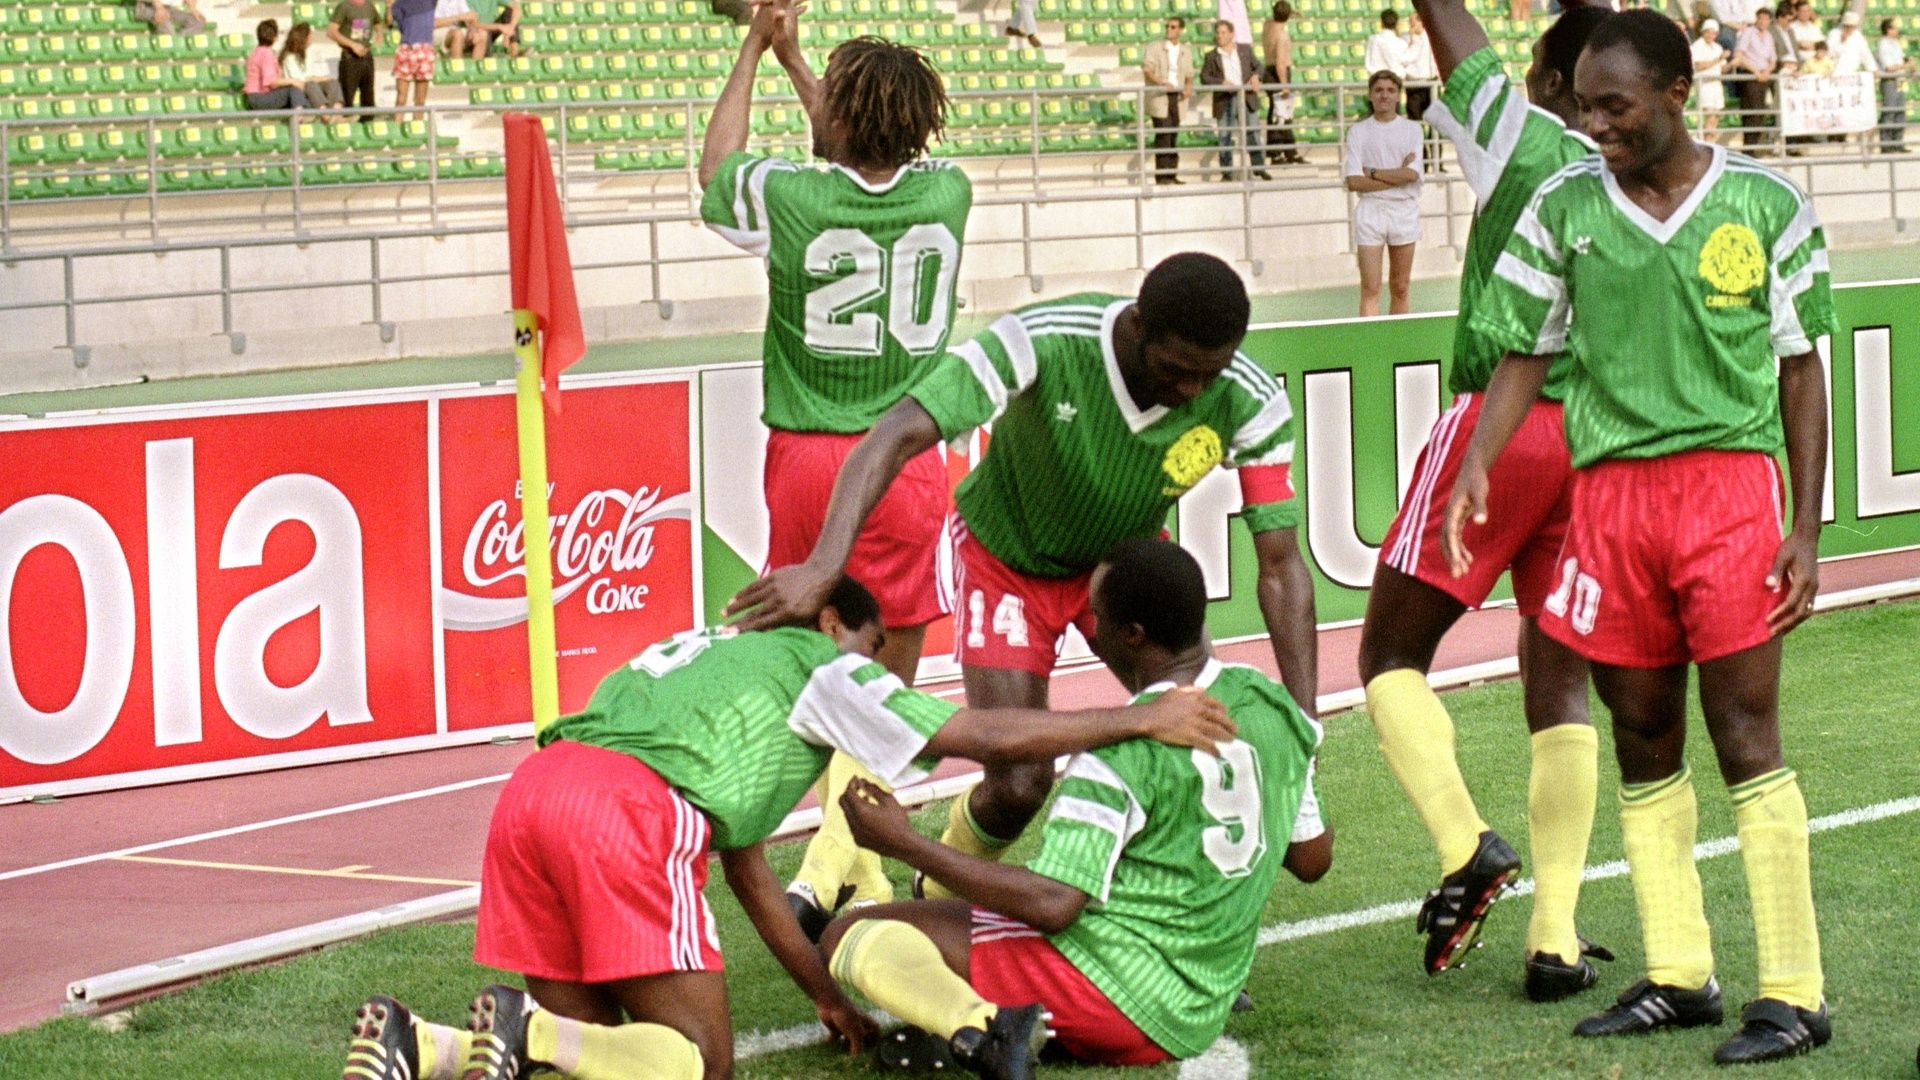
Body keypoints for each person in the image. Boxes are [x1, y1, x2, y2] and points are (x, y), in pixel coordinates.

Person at [338, 576, 1238, 1080]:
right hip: (627, 813)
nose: (874, 671)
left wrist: (825, 994)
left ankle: (431, 1043)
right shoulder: (821, 664)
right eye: (870, 648)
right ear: (834, 620)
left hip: (533, 799)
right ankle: (522, 1028)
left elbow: (750, 875)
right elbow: (973, 735)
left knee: (597, 1063)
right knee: (699, 1065)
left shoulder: (701, 653)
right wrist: (1132, 719)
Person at [1444, 9, 1833, 1064]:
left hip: (1730, 493)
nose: (1592, 123)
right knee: (1643, 735)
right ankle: (1679, 973)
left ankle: (1794, 990)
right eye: (1579, 102)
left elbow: (1802, 366)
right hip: (1611, 500)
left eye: (1614, 105)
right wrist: (1482, 452)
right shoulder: (1563, 208)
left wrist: (1804, 520)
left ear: (1675, 93)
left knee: (1746, 736)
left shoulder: (1763, 202)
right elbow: (1525, 345)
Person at [727, 251, 1319, 908]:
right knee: (1020, 784)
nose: (1191, 392)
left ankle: (1159, 933)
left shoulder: (1247, 396)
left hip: (1121, 571)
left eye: (1207, 377)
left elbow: (1281, 564)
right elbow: (895, 431)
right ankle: (940, 878)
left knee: (1200, 736)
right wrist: (823, 565)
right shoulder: (1045, 338)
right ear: (1135, 326)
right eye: (1176, 371)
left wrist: (1305, 720)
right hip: (1006, 561)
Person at [818, 539, 1331, 1075]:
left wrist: (904, 842)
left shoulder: (1121, 750)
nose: (1091, 630)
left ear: (1131, 635)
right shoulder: (1272, 704)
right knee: (964, 918)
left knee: (850, 933)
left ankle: (976, 1030)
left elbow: (1054, 904)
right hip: (1204, 1000)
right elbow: (1312, 858)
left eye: (1098, 616)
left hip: (1114, 996)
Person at [699, 4, 972, 932]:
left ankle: (819, 862)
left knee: (810, 666)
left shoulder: (790, 196)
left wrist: (753, 50)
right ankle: (844, 866)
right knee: (888, 687)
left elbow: (715, 174)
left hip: (810, 458)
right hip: (908, 456)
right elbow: (861, 137)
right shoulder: (949, 191)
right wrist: (795, 58)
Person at [1373, 0, 1614, 993]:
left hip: (1504, 420)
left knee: (1390, 654)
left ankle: (1465, 843)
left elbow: (1442, 17)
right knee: (1559, 682)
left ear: (1553, 83)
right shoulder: (1640, 172)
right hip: (1596, 443)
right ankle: (1554, 935)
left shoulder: (1525, 130)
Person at [1344, 70, 1422, 315]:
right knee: (1371, 287)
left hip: (1404, 211)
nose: (1384, 95)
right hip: (1371, 211)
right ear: (1370, 95)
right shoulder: (1358, 132)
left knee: (1400, 286)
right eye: (1378, 90)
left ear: (1398, 95)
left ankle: (1399, 347)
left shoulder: (1412, 130)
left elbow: (1412, 175)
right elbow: (1354, 181)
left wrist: (1374, 173)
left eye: (1390, 90)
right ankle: (1369, 348)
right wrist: (1396, 175)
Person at [1202, 19, 1270, 180]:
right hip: (1225, 99)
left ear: (1231, 34)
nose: (1220, 36)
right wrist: (1221, 82)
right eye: (1218, 32)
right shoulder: (1211, 56)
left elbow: (1260, 67)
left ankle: (1259, 168)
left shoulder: (1245, 50)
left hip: (1246, 97)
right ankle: (1227, 172)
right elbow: (1204, 77)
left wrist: (1256, 76)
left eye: (1223, 32)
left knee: (1253, 132)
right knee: (1225, 136)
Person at [1144, 16, 1196, 183]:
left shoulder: (1185, 50)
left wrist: (1188, 85)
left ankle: (1171, 174)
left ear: (1180, 30)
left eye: (1173, 27)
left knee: (1173, 135)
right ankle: (1162, 176)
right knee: (1164, 135)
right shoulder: (1154, 47)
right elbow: (1147, 69)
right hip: (1161, 96)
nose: (1169, 29)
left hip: (1177, 97)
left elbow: (1189, 74)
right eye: (1168, 26)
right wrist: (1161, 82)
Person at [1263, 1, 1306, 164]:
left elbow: (1277, 15)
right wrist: (1284, 85)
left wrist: (1292, 12)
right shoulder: (1282, 36)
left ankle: (1288, 150)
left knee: (1281, 113)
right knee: (1280, 114)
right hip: (1279, 73)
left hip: (1268, 69)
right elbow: (1281, 62)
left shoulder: (1268, 26)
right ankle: (1277, 152)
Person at [1732, 7, 1780, 151]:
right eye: (1760, 18)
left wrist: (1767, 71)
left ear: (1770, 21)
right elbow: (1739, 55)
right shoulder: (1748, 32)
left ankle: (1753, 146)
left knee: (1759, 112)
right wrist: (1755, 71)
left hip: (1764, 76)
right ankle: (1749, 147)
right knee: (1751, 111)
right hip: (1750, 76)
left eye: (1766, 18)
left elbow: (1773, 60)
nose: (1763, 21)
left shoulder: (1769, 36)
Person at [327, 0, 384, 115]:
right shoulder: (344, 7)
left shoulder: (369, 5)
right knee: (347, 96)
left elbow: (378, 23)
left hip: (367, 57)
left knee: (368, 96)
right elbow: (331, 32)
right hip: (350, 57)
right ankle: (346, 124)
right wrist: (352, 45)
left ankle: (367, 124)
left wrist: (379, 36)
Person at [244, 19, 311, 110]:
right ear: (275, 37)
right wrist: (292, 81)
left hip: (254, 97)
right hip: (259, 97)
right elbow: (271, 82)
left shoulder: (256, 51)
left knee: (293, 92)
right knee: (293, 89)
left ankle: (302, 112)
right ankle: (300, 115)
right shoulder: (266, 54)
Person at [1405, 11, 1442, 170]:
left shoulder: (1431, 38)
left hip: (1431, 83)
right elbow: (1404, 58)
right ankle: (1422, 162)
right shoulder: (1407, 40)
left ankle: (1437, 162)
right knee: (1415, 125)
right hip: (1414, 84)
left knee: (1436, 124)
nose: (1412, 27)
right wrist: (1411, 41)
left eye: (1414, 23)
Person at [390, 0, 437, 119]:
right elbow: (389, 21)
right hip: (407, 49)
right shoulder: (399, 4)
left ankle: (417, 129)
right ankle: (398, 128)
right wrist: (388, 6)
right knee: (401, 98)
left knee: (420, 100)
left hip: (424, 50)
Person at [280, 23, 345, 109]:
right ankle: (325, 115)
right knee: (311, 85)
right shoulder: (289, 57)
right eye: (310, 36)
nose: (312, 39)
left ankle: (337, 113)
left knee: (333, 83)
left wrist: (323, 78)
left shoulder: (306, 53)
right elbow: (301, 80)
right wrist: (320, 78)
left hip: (310, 83)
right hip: (299, 88)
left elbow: (311, 75)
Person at [1693, 19, 1731, 143]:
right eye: (1708, 32)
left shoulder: (1717, 47)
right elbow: (1698, 65)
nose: (1710, 35)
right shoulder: (1696, 46)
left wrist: (1733, 62)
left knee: (1716, 117)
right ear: (1703, 32)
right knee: (1709, 116)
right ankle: (1705, 145)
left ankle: (1709, 144)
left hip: (1716, 85)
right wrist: (1718, 59)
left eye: (1713, 33)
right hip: (1705, 85)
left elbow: (1723, 67)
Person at [1879, 18, 1911, 152]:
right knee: (1889, 112)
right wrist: (1905, 65)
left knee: (1900, 113)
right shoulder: (1883, 44)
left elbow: (1902, 58)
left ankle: (1898, 142)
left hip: (1899, 81)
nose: (1897, 30)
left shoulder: (1895, 43)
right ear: (1889, 29)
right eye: (1895, 28)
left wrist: (1908, 62)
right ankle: (1886, 145)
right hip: (1890, 81)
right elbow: (1889, 67)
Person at [1366, 9, 1411, 83]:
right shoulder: (1401, 43)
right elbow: (1405, 62)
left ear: (1381, 22)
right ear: (1396, 24)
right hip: (1395, 80)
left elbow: (1369, 62)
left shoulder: (1373, 40)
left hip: (1376, 80)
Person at [1827, 10, 1875, 75]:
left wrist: (1873, 69)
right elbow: (1830, 53)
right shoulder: (1834, 34)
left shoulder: (1858, 36)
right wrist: (1842, 41)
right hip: (1835, 72)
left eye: (1852, 26)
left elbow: (1865, 53)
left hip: (1853, 72)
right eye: (1847, 26)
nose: (1849, 29)